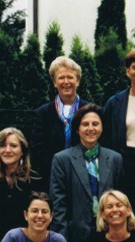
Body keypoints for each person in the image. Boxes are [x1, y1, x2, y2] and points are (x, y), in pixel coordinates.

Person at [50, 104, 124, 242]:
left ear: (102, 128)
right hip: (76, 240)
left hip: (108, 235)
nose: (90, 128)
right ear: (77, 129)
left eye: (95, 124)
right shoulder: (62, 160)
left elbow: (121, 200)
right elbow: (58, 205)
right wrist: (62, 240)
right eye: (85, 124)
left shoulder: (115, 159)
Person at [31, 56, 88, 191]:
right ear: (54, 82)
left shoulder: (90, 111)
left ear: (78, 81)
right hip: (51, 179)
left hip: (84, 179)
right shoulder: (42, 114)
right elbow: (39, 150)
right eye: (61, 78)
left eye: (70, 77)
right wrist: (60, 171)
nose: (66, 82)